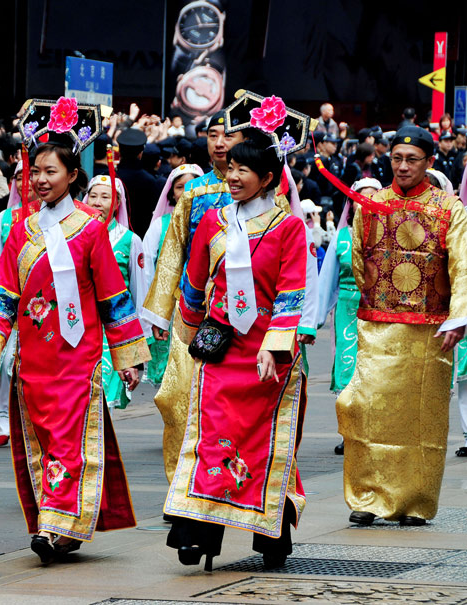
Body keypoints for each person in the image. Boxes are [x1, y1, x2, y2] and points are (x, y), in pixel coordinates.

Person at [0, 99, 149, 564]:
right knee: (46, 443)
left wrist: (130, 358)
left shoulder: (91, 230)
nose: (42, 179)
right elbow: (2, 292)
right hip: (33, 361)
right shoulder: (20, 230)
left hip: (79, 359)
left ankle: (56, 526)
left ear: (72, 175)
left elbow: (114, 297)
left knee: (71, 442)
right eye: (37, 171)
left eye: (52, 171)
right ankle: (61, 525)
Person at [164, 133, 309, 572]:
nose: (232, 177)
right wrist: (187, 336)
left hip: (268, 356)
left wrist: (275, 347)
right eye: (230, 169)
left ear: (267, 178)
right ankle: (198, 531)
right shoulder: (215, 221)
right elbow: (193, 283)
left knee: (264, 444)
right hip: (223, 351)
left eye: (244, 170)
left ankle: (271, 533)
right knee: (212, 438)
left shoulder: (288, 228)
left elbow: (290, 293)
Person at [336, 126, 467, 527]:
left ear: (429, 162)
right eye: (397, 159)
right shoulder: (369, 204)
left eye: (412, 159)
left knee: (422, 419)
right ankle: (366, 496)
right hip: (376, 327)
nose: (404, 166)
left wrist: (457, 316)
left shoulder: (449, 208)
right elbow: (358, 261)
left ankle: (415, 501)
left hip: (429, 332)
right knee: (365, 409)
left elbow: (462, 264)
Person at [141, 111, 245, 495]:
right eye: (212, 135)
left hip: (240, 316)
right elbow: (173, 253)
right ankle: (180, 485)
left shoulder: (262, 194)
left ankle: (226, 483)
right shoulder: (193, 193)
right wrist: (158, 311)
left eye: (227, 136)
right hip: (192, 314)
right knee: (177, 397)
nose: (219, 142)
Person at [0, 160, 40, 446]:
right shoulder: (5, 217)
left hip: (41, 303)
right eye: (19, 177)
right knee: (4, 364)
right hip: (9, 299)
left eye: (32, 175)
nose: (25, 182)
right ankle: (4, 421)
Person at [319, 178, 377, 456]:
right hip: (346, 309)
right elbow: (326, 282)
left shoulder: (391, 235)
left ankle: (374, 431)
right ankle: (348, 433)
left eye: (373, 195)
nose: (366, 200)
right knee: (347, 367)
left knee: (378, 371)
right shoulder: (341, 238)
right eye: (359, 196)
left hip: (380, 311)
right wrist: (312, 320)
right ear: (351, 203)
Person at [83, 175, 147, 409]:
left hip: (112, 329)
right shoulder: (74, 236)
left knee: (104, 397)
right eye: (93, 195)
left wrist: (136, 349)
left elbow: (138, 292)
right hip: (79, 324)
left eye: (105, 196)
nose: (97, 202)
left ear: (117, 203)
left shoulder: (130, 240)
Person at [141, 164, 203, 385]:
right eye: (180, 187)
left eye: (193, 186)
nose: (186, 191)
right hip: (170, 305)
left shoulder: (214, 221)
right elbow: (148, 270)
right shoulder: (159, 226)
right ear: (171, 193)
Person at [116, 127, 166, 236]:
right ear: (140, 153)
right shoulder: (150, 181)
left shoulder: (110, 176)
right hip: (142, 235)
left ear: (119, 152)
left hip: (113, 235)